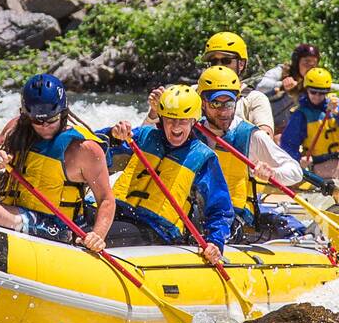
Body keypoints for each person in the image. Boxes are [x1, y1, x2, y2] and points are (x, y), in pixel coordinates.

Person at [0, 74, 113, 252]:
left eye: (51, 120)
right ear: (26, 115)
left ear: (63, 112)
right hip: (13, 213)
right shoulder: (15, 129)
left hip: (60, 227)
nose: (45, 126)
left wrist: (97, 236)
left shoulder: (84, 149)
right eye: (37, 121)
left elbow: (106, 200)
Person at [104, 85, 234, 264]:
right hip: (118, 213)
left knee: (106, 232)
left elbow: (220, 209)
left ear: (193, 122)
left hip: (157, 231)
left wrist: (215, 242)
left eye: (183, 120)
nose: (175, 126)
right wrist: (112, 135)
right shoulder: (144, 136)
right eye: (170, 120)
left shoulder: (203, 157)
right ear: (162, 119)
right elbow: (94, 150)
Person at [194, 64, 306, 241]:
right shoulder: (191, 129)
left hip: (232, 219)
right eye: (216, 103)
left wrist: (272, 172)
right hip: (195, 215)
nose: (223, 111)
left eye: (229, 103)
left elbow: (295, 172)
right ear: (202, 103)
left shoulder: (251, 136)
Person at [279, 67, 339, 178]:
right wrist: (298, 161)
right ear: (306, 90)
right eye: (313, 92)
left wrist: (337, 112)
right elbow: (288, 143)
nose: (317, 96)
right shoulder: (301, 115)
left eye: (322, 93)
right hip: (320, 165)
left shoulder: (334, 103)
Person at [202, 31, 273, 134]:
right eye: (213, 62)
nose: (219, 65)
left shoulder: (254, 99)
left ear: (241, 64)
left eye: (226, 60)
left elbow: (266, 137)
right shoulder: (195, 93)